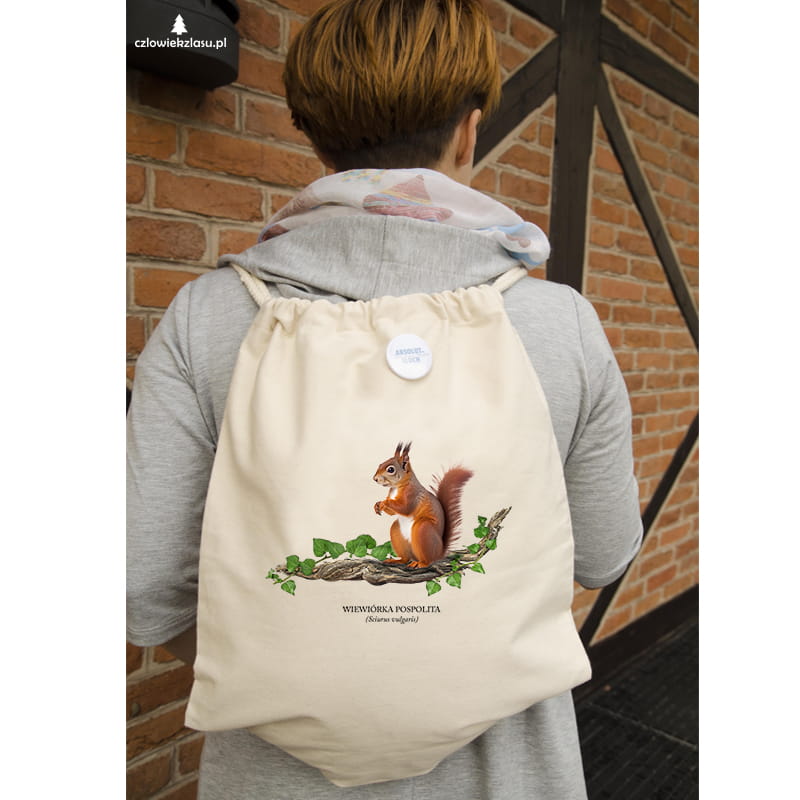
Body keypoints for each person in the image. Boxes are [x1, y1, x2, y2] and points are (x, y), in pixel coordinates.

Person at [126, 0, 642, 797]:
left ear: (316, 137)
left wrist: (287, 655)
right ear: (470, 131)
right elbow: (605, 554)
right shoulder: (561, 324)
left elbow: (143, 590)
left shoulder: (208, 317)